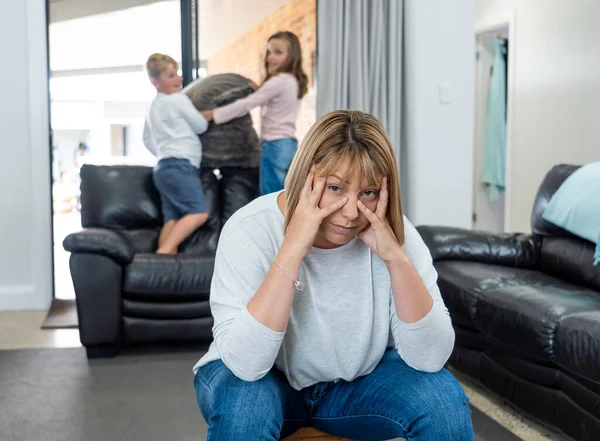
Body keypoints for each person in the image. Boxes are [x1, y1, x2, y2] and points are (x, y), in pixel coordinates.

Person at [193, 110, 474, 440]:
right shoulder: (250, 228)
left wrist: (396, 259)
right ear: (304, 178)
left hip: (354, 386)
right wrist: (294, 247)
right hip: (262, 379)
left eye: (368, 192)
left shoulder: (396, 234)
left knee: (442, 402)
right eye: (335, 188)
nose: (352, 212)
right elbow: (246, 363)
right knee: (246, 405)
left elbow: (430, 358)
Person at [200, 31, 308, 195]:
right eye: (269, 51)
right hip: (288, 143)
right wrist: (262, 91)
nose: (270, 57)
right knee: (284, 194)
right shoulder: (292, 81)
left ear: (292, 56)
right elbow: (276, 102)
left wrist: (214, 114)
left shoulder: (279, 81)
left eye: (278, 52)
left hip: (275, 145)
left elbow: (247, 104)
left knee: (271, 196)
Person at [143, 53, 210, 254]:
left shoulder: (152, 107)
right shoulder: (178, 100)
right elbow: (201, 126)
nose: (178, 79)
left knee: (171, 219)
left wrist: (165, 153)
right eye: (171, 76)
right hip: (181, 165)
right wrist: (203, 116)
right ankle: (163, 253)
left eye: (177, 73)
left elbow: (147, 140)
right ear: (154, 81)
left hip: (163, 167)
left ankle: (160, 267)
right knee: (199, 213)